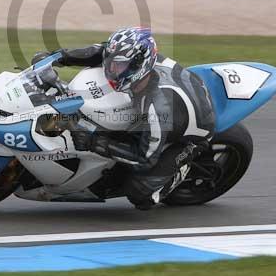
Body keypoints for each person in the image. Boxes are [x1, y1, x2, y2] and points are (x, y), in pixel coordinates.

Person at [32, 27, 216, 210]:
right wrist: (55, 58)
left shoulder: (157, 108)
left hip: (193, 133)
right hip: (178, 95)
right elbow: (99, 51)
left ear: (138, 66)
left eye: (118, 66)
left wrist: (93, 141)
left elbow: (144, 158)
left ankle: (182, 169)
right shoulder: (130, 61)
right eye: (111, 63)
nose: (111, 69)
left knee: (141, 194)